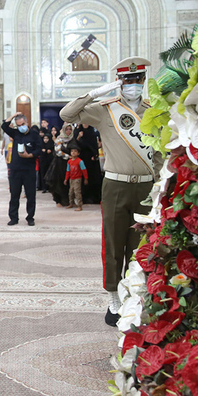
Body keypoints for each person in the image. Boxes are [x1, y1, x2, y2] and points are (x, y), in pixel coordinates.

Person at [60, 56, 161, 327]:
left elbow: (160, 150)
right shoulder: (105, 110)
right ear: (119, 82)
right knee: (114, 243)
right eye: (126, 80)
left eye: (136, 80)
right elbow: (66, 114)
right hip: (116, 185)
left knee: (142, 244)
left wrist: (162, 182)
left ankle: (137, 294)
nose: (132, 85)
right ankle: (114, 295)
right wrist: (96, 92)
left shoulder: (154, 110)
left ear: (143, 81)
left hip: (147, 185)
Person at [1, 113, 41, 226]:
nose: (21, 127)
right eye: (18, 125)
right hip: (15, 169)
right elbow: (4, 126)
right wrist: (13, 115)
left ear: (27, 123)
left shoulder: (34, 134)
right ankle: (13, 217)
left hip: (29, 169)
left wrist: (30, 155)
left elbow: (39, 149)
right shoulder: (16, 133)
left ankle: (30, 217)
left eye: (23, 124)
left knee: (30, 195)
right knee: (14, 195)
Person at [45, 122, 75, 207]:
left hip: (70, 164)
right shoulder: (59, 139)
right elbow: (58, 151)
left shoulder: (72, 139)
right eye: (67, 129)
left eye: (70, 129)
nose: (68, 131)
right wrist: (67, 156)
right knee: (58, 182)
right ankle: (58, 201)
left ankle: (70, 200)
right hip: (59, 164)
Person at [74, 123, 103, 204]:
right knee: (83, 178)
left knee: (93, 177)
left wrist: (95, 154)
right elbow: (75, 143)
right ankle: (84, 197)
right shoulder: (78, 131)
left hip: (91, 158)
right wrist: (79, 136)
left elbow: (94, 144)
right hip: (82, 158)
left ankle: (95, 197)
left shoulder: (92, 131)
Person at [64, 145, 88, 211]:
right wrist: (66, 179)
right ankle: (71, 203)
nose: (73, 153)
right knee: (70, 192)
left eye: (75, 151)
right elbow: (68, 171)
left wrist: (86, 178)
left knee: (77, 192)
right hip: (71, 179)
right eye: (72, 151)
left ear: (78, 153)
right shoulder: (69, 161)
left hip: (77, 178)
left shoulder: (80, 161)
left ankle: (80, 205)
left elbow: (84, 170)